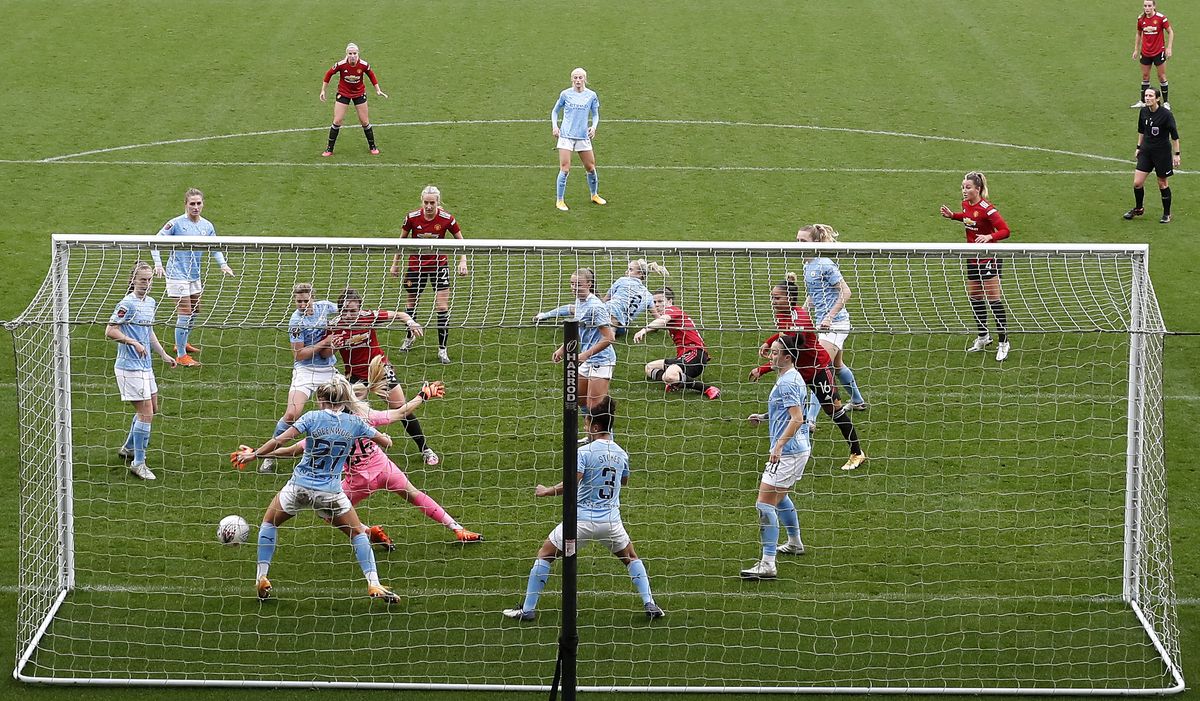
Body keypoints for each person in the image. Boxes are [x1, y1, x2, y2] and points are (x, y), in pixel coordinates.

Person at [243, 376, 483, 546]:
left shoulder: (323, 426)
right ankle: (457, 529)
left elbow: (294, 449)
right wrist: (423, 395)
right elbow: (400, 413)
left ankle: (369, 532)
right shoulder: (363, 416)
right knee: (414, 494)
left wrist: (258, 454)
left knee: (326, 512)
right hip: (383, 468)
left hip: (358, 480)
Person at [232, 379, 401, 603]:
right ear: (343, 400)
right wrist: (375, 435)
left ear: (321, 400)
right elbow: (387, 442)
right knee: (358, 534)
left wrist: (255, 455)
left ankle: (262, 576)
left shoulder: (311, 417)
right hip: (330, 493)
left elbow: (281, 440)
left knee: (269, 523)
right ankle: (373, 583)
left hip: (299, 487)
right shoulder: (354, 423)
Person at [502, 396, 664, 620]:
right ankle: (650, 604)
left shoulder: (585, 452)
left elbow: (571, 483)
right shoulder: (621, 453)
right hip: (611, 523)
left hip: (581, 522)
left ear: (595, 426)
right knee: (631, 558)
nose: (585, 428)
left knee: (545, 554)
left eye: (587, 424)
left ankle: (527, 609)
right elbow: (624, 481)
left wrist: (546, 491)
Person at [750, 273, 866, 471]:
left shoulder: (800, 319)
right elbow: (783, 333)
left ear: (790, 299)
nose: (773, 301)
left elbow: (789, 352)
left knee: (835, 413)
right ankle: (783, 449)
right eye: (772, 297)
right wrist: (768, 342)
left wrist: (763, 368)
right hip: (798, 370)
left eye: (777, 298)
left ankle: (857, 453)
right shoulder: (784, 314)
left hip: (817, 370)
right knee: (785, 401)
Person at [327, 288, 441, 466]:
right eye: (345, 311)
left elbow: (400, 314)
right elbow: (326, 354)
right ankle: (350, 453)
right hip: (356, 375)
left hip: (380, 370)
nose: (349, 315)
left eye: (353, 311)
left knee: (402, 410)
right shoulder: (333, 326)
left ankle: (425, 449)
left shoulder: (369, 316)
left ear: (360, 309)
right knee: (346, 414)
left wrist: (411, 322)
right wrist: (333, 347)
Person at [741, 335, 812, 581]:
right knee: (780, 498)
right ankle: (794, 543)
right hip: (798, 449)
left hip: (790, 452)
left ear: (787, 357)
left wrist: (779, 446)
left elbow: (797, 418)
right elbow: (786, 412)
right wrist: (763, 417)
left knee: (764, 504)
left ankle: (768, 563)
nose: (769, 356)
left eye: (774, 353)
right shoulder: (789, 377)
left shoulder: (787, 382)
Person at [105, 262, 178, 480]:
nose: (146, 284)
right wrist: (132, 342)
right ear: (133, 280)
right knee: (145, 413)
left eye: (149, 280)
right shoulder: (127, 304)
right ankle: (138, 463)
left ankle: (128, 448)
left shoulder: (151, 302)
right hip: (129, 367)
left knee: (152, 409)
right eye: (142, 280)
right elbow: (110, 330)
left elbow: (148, 331)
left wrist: (163, 354)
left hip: (146, 366)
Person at [259, 283, 340, 474]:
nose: (302, 305)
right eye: (299, 301)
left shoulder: (324, 307)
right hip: (305, 370)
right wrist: (324, 342)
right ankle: (270, 455)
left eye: (306, 300)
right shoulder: (295, 321)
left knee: (348, 409)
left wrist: (341, 322)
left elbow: (344, 310)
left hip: (328, 369)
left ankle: (355, 455)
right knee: (291, 415)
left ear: (313, 297)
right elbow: (300, 354)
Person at [150, 188, 235, 367]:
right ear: (186, 205)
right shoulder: (175, 224)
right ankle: (181, 355)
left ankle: (182, 342)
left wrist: (223, 264)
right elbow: (154, 241)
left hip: (194, 275)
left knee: (195, 311)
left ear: (203, 204)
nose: (195, 207)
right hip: (176, 275)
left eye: (198, 203)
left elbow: (215, 247)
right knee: (185, 312)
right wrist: (158, 264)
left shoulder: (207, 226)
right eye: (192, 204)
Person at [388, 186, 469, 365]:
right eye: (426, 202)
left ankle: (442, 350)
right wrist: (395, 263)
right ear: (421, 201)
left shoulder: (447, 219)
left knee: (441, 307)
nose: (429, 206)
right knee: (411, 303)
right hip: (415, 266)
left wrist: (463, 261)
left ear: (438, 202)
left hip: (439, 265)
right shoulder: (411, 217)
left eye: (432, 203)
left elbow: (461, 240)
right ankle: (410, 337)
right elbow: (400, 241)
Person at [939, 172, 1012, 362]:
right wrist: (953, 216)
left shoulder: (988, 209)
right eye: (963, 187)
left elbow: (1005, 230)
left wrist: (989, 237)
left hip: (988, 259)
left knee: (994, 300)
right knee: (975, 298)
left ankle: (1004, 342)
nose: (964, 190)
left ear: (977, 189)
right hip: (972, 258)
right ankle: (983, 336)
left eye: (968, 187)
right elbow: (968, 218)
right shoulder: (966, 205)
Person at [795, 225, 868, 407]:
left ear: (816, 242)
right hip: (823, 324)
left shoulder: (825, 264)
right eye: (797, 241)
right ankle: (857, 400)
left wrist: (829, 317)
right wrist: (802, 312)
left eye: (803, 241)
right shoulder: (807, 264)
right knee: (837, 366)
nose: (798, 244)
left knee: (818, 369)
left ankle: (809, 421)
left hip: (836, 324)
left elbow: (846, 291)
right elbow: (815, 292)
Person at [547, 268, 616, 419]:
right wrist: (563, 349)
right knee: (578, 397)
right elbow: (579, 330)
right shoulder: (579, 302)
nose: (574, 288)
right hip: (588, 358)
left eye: (578, 284)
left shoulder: (596, 307)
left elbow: (609, 337)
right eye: (572, 284)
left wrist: (585, 354)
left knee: (597, 406)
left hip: (602, 360)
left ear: (589, 284)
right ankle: (592, 433)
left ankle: (605, 440)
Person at [534, 258, 667, 335]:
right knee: (603, 328)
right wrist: (651, 329)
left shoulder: (622, 280)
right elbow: (657, 321)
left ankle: (544, 316)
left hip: (610, 313)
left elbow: (605, 300)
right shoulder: (649, 296)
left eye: (630, 269)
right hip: (623, 327)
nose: (627, 271)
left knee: (576, 310)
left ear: (640, 275)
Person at [632, 286, 720, 399]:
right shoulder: (671, 315)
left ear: (669, 301)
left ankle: (707, 388)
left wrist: (644, 329)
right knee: (649, 368)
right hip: (683, 357)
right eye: (654, 302)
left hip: (695, 353)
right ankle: (674, 381)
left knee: (669, 375)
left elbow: (663, 320)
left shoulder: (673, 310)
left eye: (660, 301)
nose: (657, 304)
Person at [319, 42, 388, 157]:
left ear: (358, 54)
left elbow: (371, 75)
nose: (352, 56)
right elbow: (328, 74)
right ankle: (329, 149)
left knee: (365, 122)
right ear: (346, 54)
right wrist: (323, 90)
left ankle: (372, 146)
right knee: (337, 121)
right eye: (350, 53)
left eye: (355, 53)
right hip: (343, 93)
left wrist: (378, 89)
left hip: (359, 94)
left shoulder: (363, 65)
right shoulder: (341, 64)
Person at [551, 67, 605, 211]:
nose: (578, 80)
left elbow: (595, 114)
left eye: (580, 78)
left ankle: (594, 194)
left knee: (591, 167)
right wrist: (555, 126)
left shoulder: (591, 95)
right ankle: (560, 200)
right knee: (565, 168)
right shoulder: (565, 94)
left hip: (582, 136)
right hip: (566, 136)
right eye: (575, 78)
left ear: (585, 79)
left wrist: (593, 127)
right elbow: (555, 111)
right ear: (571, 79)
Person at [1125, 87, 1181, 224]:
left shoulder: (1166, 115)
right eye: (1146, 96)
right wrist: (1138, 147)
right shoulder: (1143, 111)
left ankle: (1167, 214)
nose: (1147, 98)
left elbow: (1174, 136)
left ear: (1157, 99)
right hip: (1146, 151)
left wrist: (1177, 154)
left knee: (1162, 183)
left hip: (1162, 153)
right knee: (1137, 183)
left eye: (1150, 96)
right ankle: (1139, 208)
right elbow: (1141, 131)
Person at [1131, 1, 1174, 109]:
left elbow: (1170, 32)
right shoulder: (1141, 19)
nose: (1147, 8)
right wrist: (1136, 49)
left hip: (1158, 52)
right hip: (1145, 52)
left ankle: (1166, 102)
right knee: (1145, 76)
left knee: (1162, 76)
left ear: (1154, 6)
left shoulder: (1161, 18)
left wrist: (1169, 48)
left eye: (1149, 6)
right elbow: (1138, 33)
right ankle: (1143, 101)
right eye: (1145, 6)